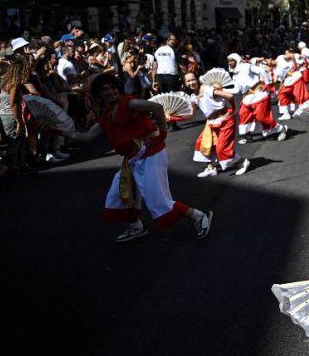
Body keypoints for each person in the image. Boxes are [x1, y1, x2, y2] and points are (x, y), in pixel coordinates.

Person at [71, 74, 212, 242]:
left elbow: (157, 108)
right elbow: (86, 137)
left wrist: (162, 134)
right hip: (132, 159)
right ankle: (136, 226)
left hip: (151, 155)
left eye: (112, 87)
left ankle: (198, 215)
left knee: (157, 199)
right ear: (99, 94)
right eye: (104, 89)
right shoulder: (107, 114)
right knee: (119, 194)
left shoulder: (129, 103)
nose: (110, 92)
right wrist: (57, 129)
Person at [181, 71, 249, 178]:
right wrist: (172, 117)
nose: (191, 82)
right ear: (185, 83)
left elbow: (229, 96)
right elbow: (191, 115)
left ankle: (243, 161)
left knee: (221, 148)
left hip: (225, 120)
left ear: (197, 79)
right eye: (188, 81)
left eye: (193, 79)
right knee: (201, 143)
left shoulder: (208, 89)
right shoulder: (193, 97)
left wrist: (232, 109)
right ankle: (210, 168)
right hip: (211, 122)